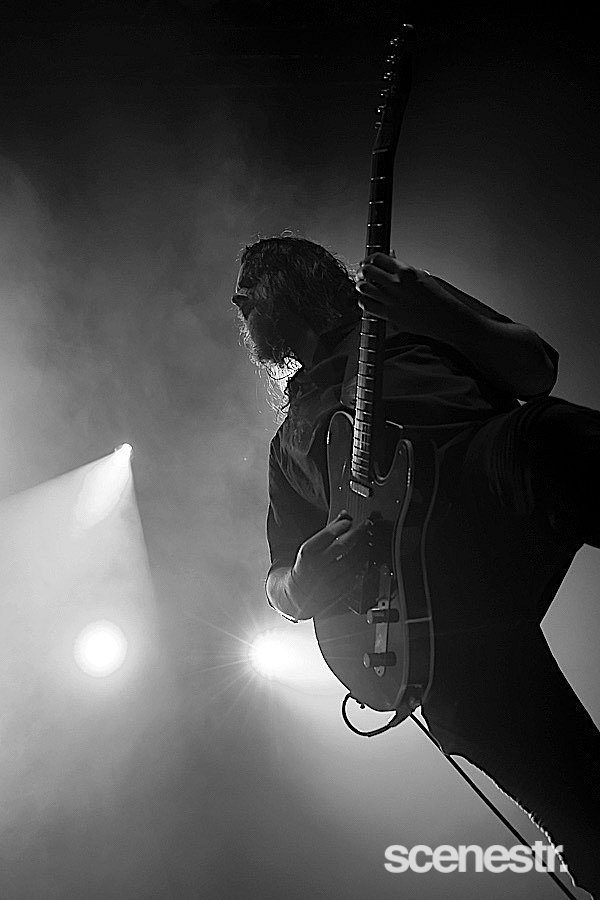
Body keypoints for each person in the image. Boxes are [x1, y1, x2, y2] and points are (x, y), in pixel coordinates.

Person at [232, 234, 600, 898]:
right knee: (585, 807)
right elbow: (279, 581)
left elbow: (535, 369)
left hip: (483, 488)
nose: (238, 303)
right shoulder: (287, 443)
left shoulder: (404, 310)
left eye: (249, 285)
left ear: (293, 281)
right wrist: (304, 583)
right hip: (424, 617)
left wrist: (431, 305)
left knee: (550, 436)